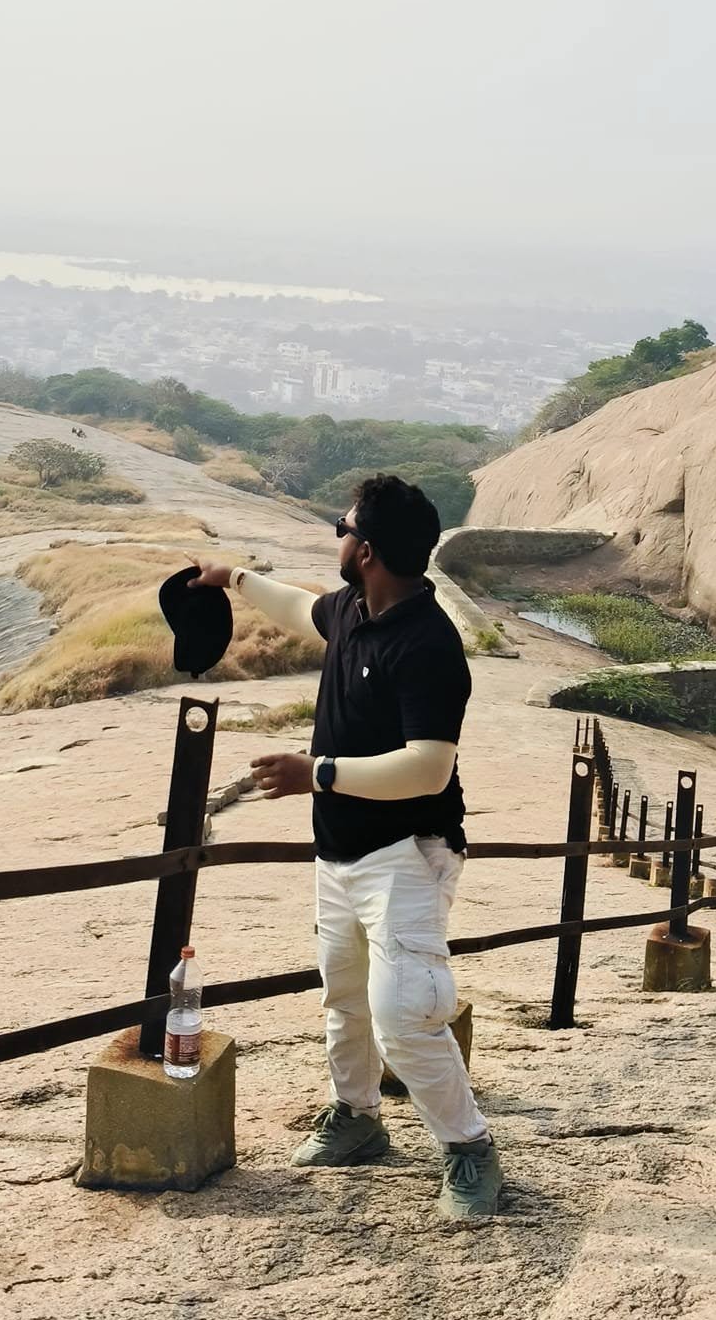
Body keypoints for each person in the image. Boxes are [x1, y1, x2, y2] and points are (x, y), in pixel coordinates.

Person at [191, 473, 501, 1222]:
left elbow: (431, 766)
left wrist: (316, 773)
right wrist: (231, 577)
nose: (337, 537)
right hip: (340, 854)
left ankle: (469, 1148)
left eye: (342, 527)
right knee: (344, 997)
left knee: (406, 1011)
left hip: (408, 853)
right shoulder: (354, 609)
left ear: (365, 549)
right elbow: (300, 608)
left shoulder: (428, 644)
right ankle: (357, 1118)